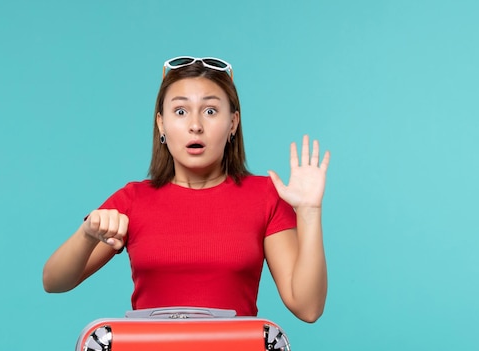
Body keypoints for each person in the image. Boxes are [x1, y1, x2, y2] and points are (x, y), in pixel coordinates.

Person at [43, 56, 330, 321]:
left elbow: (307, 307)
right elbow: (54, 282)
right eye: (180, 111)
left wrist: (309, 212)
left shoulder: (265, 196)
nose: (195, 125)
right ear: (162, 124)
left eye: (210, 110)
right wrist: (87, 234)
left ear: (233, 123)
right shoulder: (132, 200)